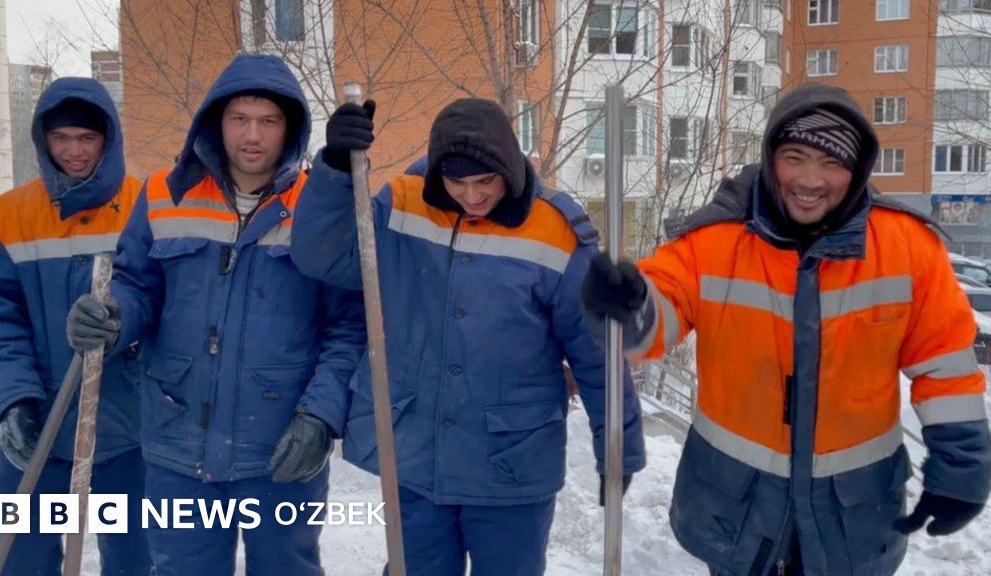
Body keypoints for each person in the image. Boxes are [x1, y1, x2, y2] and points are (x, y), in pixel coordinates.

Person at [582, 83, 991, 576]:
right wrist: (630, 306)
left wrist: (962, 468)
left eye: (832, 163)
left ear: (858, 169)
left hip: (854, 514)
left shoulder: (907, 247)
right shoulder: (717, 240)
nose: (810, 180)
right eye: (795, 157)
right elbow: (659, 314)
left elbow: (945, 360)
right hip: (737, 509)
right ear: (771, 156)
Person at [290, 97, 646, 575]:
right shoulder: (402, 203)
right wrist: (333, 167)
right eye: (457, 182)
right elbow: (323, 257)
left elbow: (595, 351)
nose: (472, 196)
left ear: (509, 167)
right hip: (417, 455)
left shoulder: (555, 231)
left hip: (511, 464)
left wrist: (618, 446)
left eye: (485, 182)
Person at [65, 54, 366, 575]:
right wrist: (113, 315)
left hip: (282, 443)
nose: (253, 135)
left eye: (268, 121)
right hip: (176, 437)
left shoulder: (316, 205)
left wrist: (322, 413)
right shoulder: (165, 193)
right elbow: (137, 284)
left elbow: (348, 326)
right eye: (239, 119)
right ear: (216, 121)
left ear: (289, 127)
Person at [0, 78, 151, 575]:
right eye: (62, 138)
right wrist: (13, 402)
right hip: (40, 428)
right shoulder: (3, 220)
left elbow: (166, 304)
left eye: (87, 139)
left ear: (108, 140)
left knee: (143, 562)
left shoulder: (150, 208)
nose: (74, 151)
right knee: (17, 562)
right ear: (43, 140)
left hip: (132, 431)